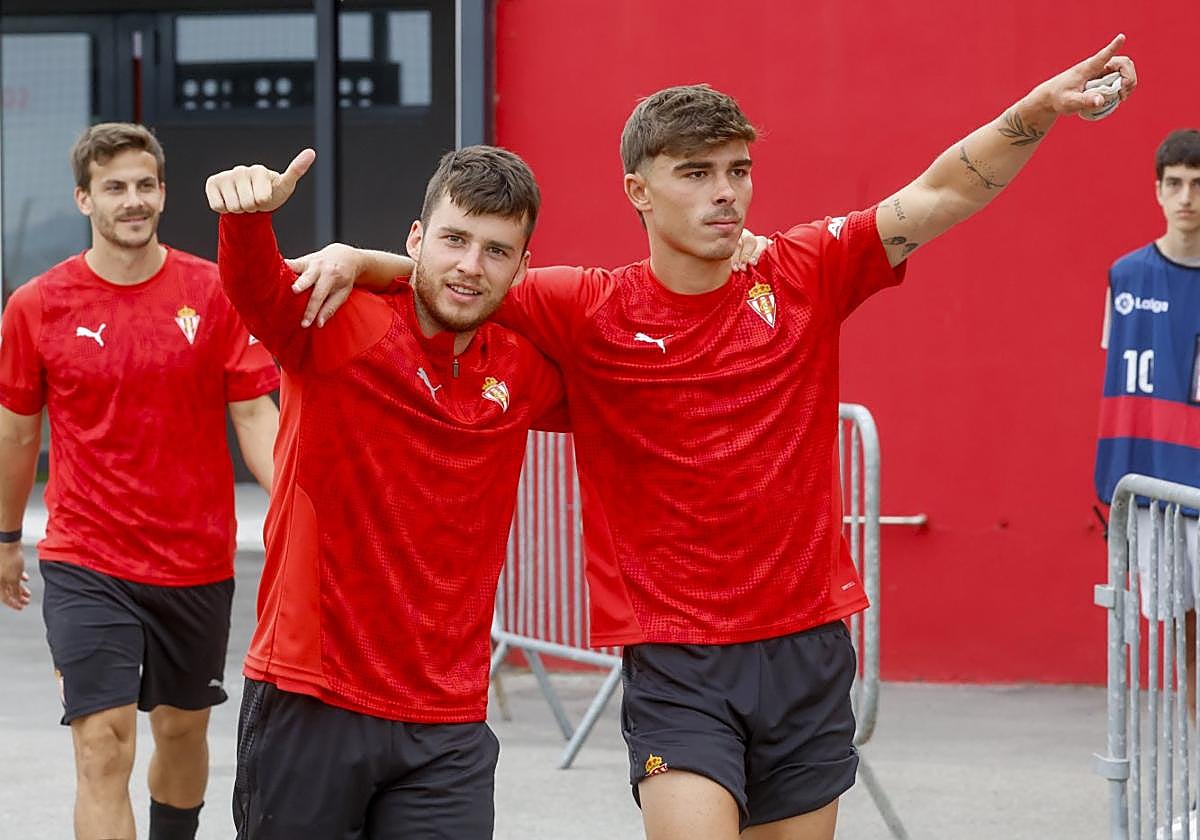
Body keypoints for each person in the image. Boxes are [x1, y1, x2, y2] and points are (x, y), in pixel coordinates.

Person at [301, 36, 1137, 840]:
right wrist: (359, 258)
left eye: (737, 170)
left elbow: (939, 194)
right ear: (639, 190)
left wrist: (1037, 109)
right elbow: (462, 280)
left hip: (806, 642)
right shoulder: (586, 305)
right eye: (695, 173)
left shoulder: (805, 270)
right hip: (678, 658)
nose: (724, 193)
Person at [207, 144, 575, 840]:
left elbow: (639, 363)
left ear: (521, 268)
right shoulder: (340, 321)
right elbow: (255, 284)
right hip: (312, 697)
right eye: (454, 239)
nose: (471, 265)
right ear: (415, 239)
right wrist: (247, 217)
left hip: (448, 725)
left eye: (497, 251)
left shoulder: (523, 369)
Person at [0, 123, 279, 840]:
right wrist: (5, 538)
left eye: (145, 185)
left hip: (195, 560)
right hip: (86, 559)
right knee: (103, 743)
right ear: (84, 199)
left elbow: (254, 414)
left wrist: (298, 503)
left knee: (183, 734)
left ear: (162, 191)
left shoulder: (213, 292)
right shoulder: (37, 305)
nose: (133, 200)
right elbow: (16, 433)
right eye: (115, 188)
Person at [1094, 128, 1200, 839]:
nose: (1187, 198)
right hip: (1163, 498)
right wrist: (1113, 487)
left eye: (1199, 183)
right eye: (1175, 184)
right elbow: (1119, 387)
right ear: (1157, 189)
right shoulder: (1126, 277)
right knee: (1189, 645)